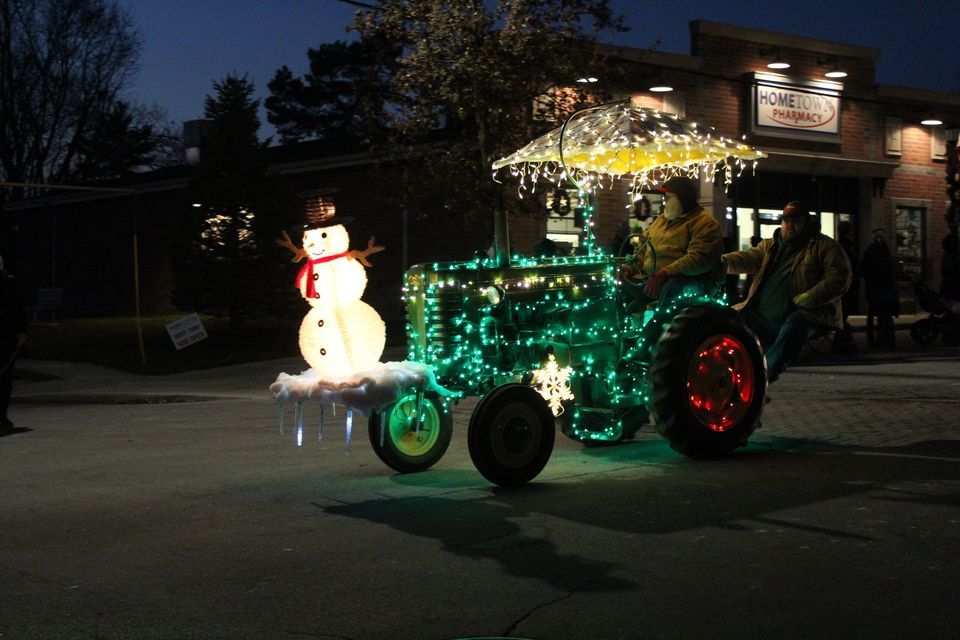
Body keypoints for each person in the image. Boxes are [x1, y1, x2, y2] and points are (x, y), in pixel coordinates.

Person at [722, 201, 851, 383]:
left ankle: (761, 376)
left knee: (795, 324)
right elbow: (745, 259)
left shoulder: (824, 246)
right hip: (762, 315)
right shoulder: (769, 246)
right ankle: (727, 373)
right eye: (786, 219)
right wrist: (717, 263)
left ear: (806, 221)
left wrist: (811, 297)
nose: (790, 224)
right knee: (730, 321)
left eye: (795, 219)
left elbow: (839, 277)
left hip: (807, 314)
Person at [621, 175, 724, 303]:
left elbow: (699, 258)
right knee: (616, 282)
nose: (664, 202)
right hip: (651, 278)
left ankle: (658, 321)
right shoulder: (661, 220)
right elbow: (643, 248)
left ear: (683, 198)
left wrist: (665, 273)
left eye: (668, 198)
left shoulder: (705, 223)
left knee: (673, 287)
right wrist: (629, 268)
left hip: (688, 282)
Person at [0, 254, 27, 432]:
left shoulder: (9, 284)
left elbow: (17, 308)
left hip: (6, 335)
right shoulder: (9, 284)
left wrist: (21, 331)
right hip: (7, 335)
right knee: (4, 378)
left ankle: (2, 416)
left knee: (5, 377)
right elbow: (18, 308)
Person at [860, 228, 899, 348]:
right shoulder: (877, 251)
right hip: (878, 287)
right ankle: (882, 339)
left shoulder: (875, 251)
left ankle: (882, 339)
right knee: (881, 314)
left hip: (880, 287)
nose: (879, 239)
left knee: (882, 314)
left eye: (881, 237)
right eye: (878, 237)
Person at [833, 220, 858, 353]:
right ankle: (842, 342)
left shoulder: (838, 245)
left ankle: (841, 341)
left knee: (842, 315)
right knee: (843, 315)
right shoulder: (846, 246)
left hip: (840, 285)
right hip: (844, 286)